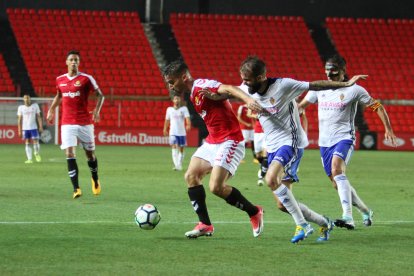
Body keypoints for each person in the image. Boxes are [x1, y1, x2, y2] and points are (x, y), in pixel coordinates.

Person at [239, 56, 367, 243]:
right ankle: (324, 222)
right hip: (272, 146)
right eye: (243, 79)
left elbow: (316, 85)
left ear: (260, 77)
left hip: (290, 142)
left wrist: (346, 84)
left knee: (270, 179)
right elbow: (227, 90)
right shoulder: (247, 89)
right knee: (283, 205)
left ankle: (302, 224)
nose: (244, 83)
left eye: (247, 79)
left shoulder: (284, 85)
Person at [163, 60, 264, 239]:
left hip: (230, 140)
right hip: (212, 141)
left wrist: (248, 100)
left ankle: (254, 211)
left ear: (184, 77)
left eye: (172, 82)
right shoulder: (192, 93)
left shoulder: (202, 85)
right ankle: (205, 225)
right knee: (191, 176)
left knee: (216, 187)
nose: (170, 86)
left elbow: (229, 88)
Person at [299, 55, 397, 229]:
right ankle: (365, 210)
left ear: (343, 71)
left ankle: (347, 217)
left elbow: (377, 106)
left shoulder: (355, 90)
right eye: (327, 71)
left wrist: (388, 128)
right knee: (337, 182)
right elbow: (302, 106)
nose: (329, 75)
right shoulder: (319, 88)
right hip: (324, 142)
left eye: (334, 71)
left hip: (344, 138)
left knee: (337, 169)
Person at [47, 50, 105, 199]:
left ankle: (95, 178)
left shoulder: (86, 79)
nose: (74, 62)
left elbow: (100, 95)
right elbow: (59, 95)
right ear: (66, 62)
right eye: (71, 60)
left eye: (76, 60)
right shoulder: (60, 79)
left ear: (79, 63)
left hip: (85, 122)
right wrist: (51, 110)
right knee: (69, 153)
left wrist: (97, 111)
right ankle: (76, 188)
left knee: (90, 154)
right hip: (67, 123)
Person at [163, 94, 191, 171]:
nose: (176, 100)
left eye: (178, 99)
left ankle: (179, 164)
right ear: (173, 100)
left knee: (181, 148)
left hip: (181, 132)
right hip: (172, 132)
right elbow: (167, 120)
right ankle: (177, 165)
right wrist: (165, 129)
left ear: (180, 100)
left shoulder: (184, 109)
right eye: (175, 99)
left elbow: (187, 118)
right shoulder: (169, 109)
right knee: (174, 146)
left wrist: (188, 124)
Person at [17, 95, 43, 163]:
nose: (26, 99)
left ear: (30, 99)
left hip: (34, 127)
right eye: (25, 98)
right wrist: (19, 130)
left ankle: (36, 153)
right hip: (25, 128)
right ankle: (29, 159)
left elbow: (38, 117)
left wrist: (40, 126)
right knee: (27, 142)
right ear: (23, 100)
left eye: (28, 98)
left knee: (36, 141)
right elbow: (19, 119)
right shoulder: (21, 108)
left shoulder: (35, 106)